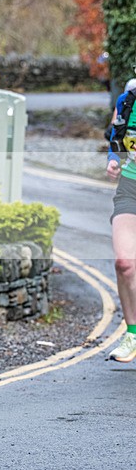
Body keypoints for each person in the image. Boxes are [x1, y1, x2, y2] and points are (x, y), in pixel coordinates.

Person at [105, 77, 136, 362]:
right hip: (130, 187)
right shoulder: (127, 100)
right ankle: (132, 334)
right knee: (125, 264)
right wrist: (113, 160)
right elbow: (117, 138)